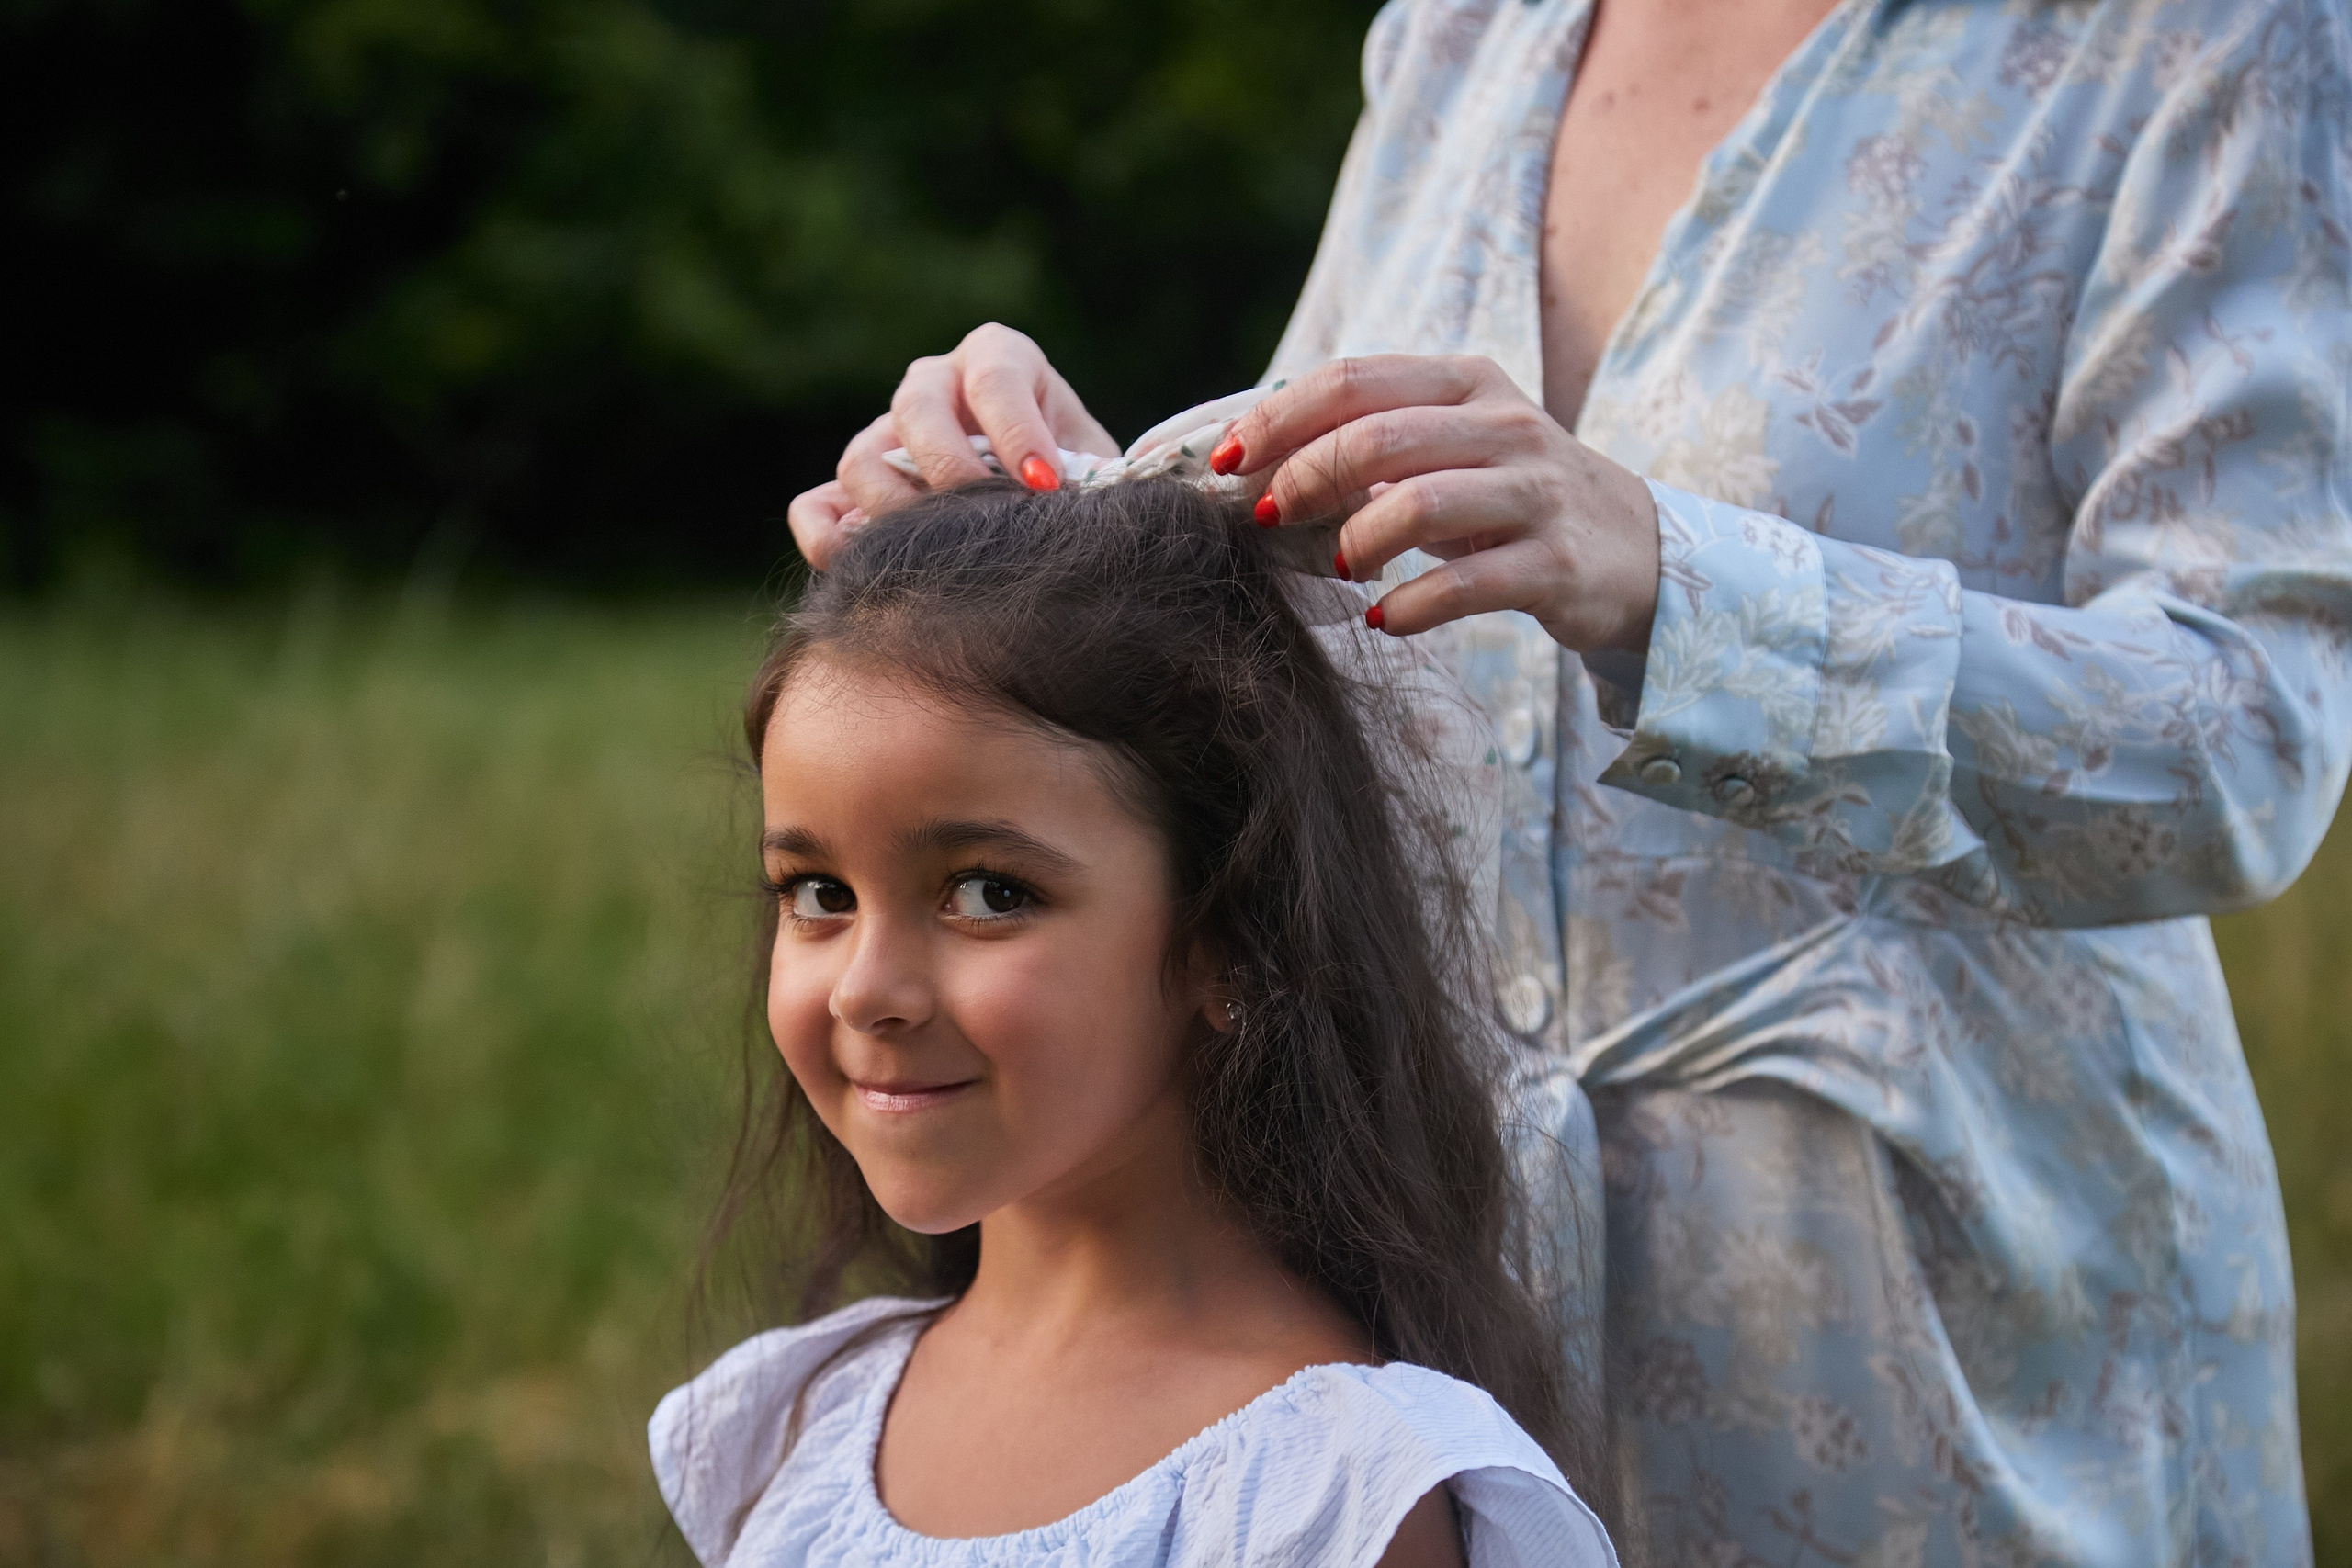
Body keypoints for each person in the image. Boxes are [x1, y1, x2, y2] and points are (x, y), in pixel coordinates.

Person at [791, 0, 2352, 1562]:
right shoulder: (1467, 33)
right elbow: (1324, 595)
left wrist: (1684, 589)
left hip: (1955, 1324)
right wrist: (1047, 522)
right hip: (1467, 1275)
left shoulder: (2208, 37)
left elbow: (2251, 730)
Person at [650, 479, 1619, 1566]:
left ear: (1228, 940)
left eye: (986, 893)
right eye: (817, 893)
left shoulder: (1327, 1494)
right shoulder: (806, 1418)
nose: (865, 991)